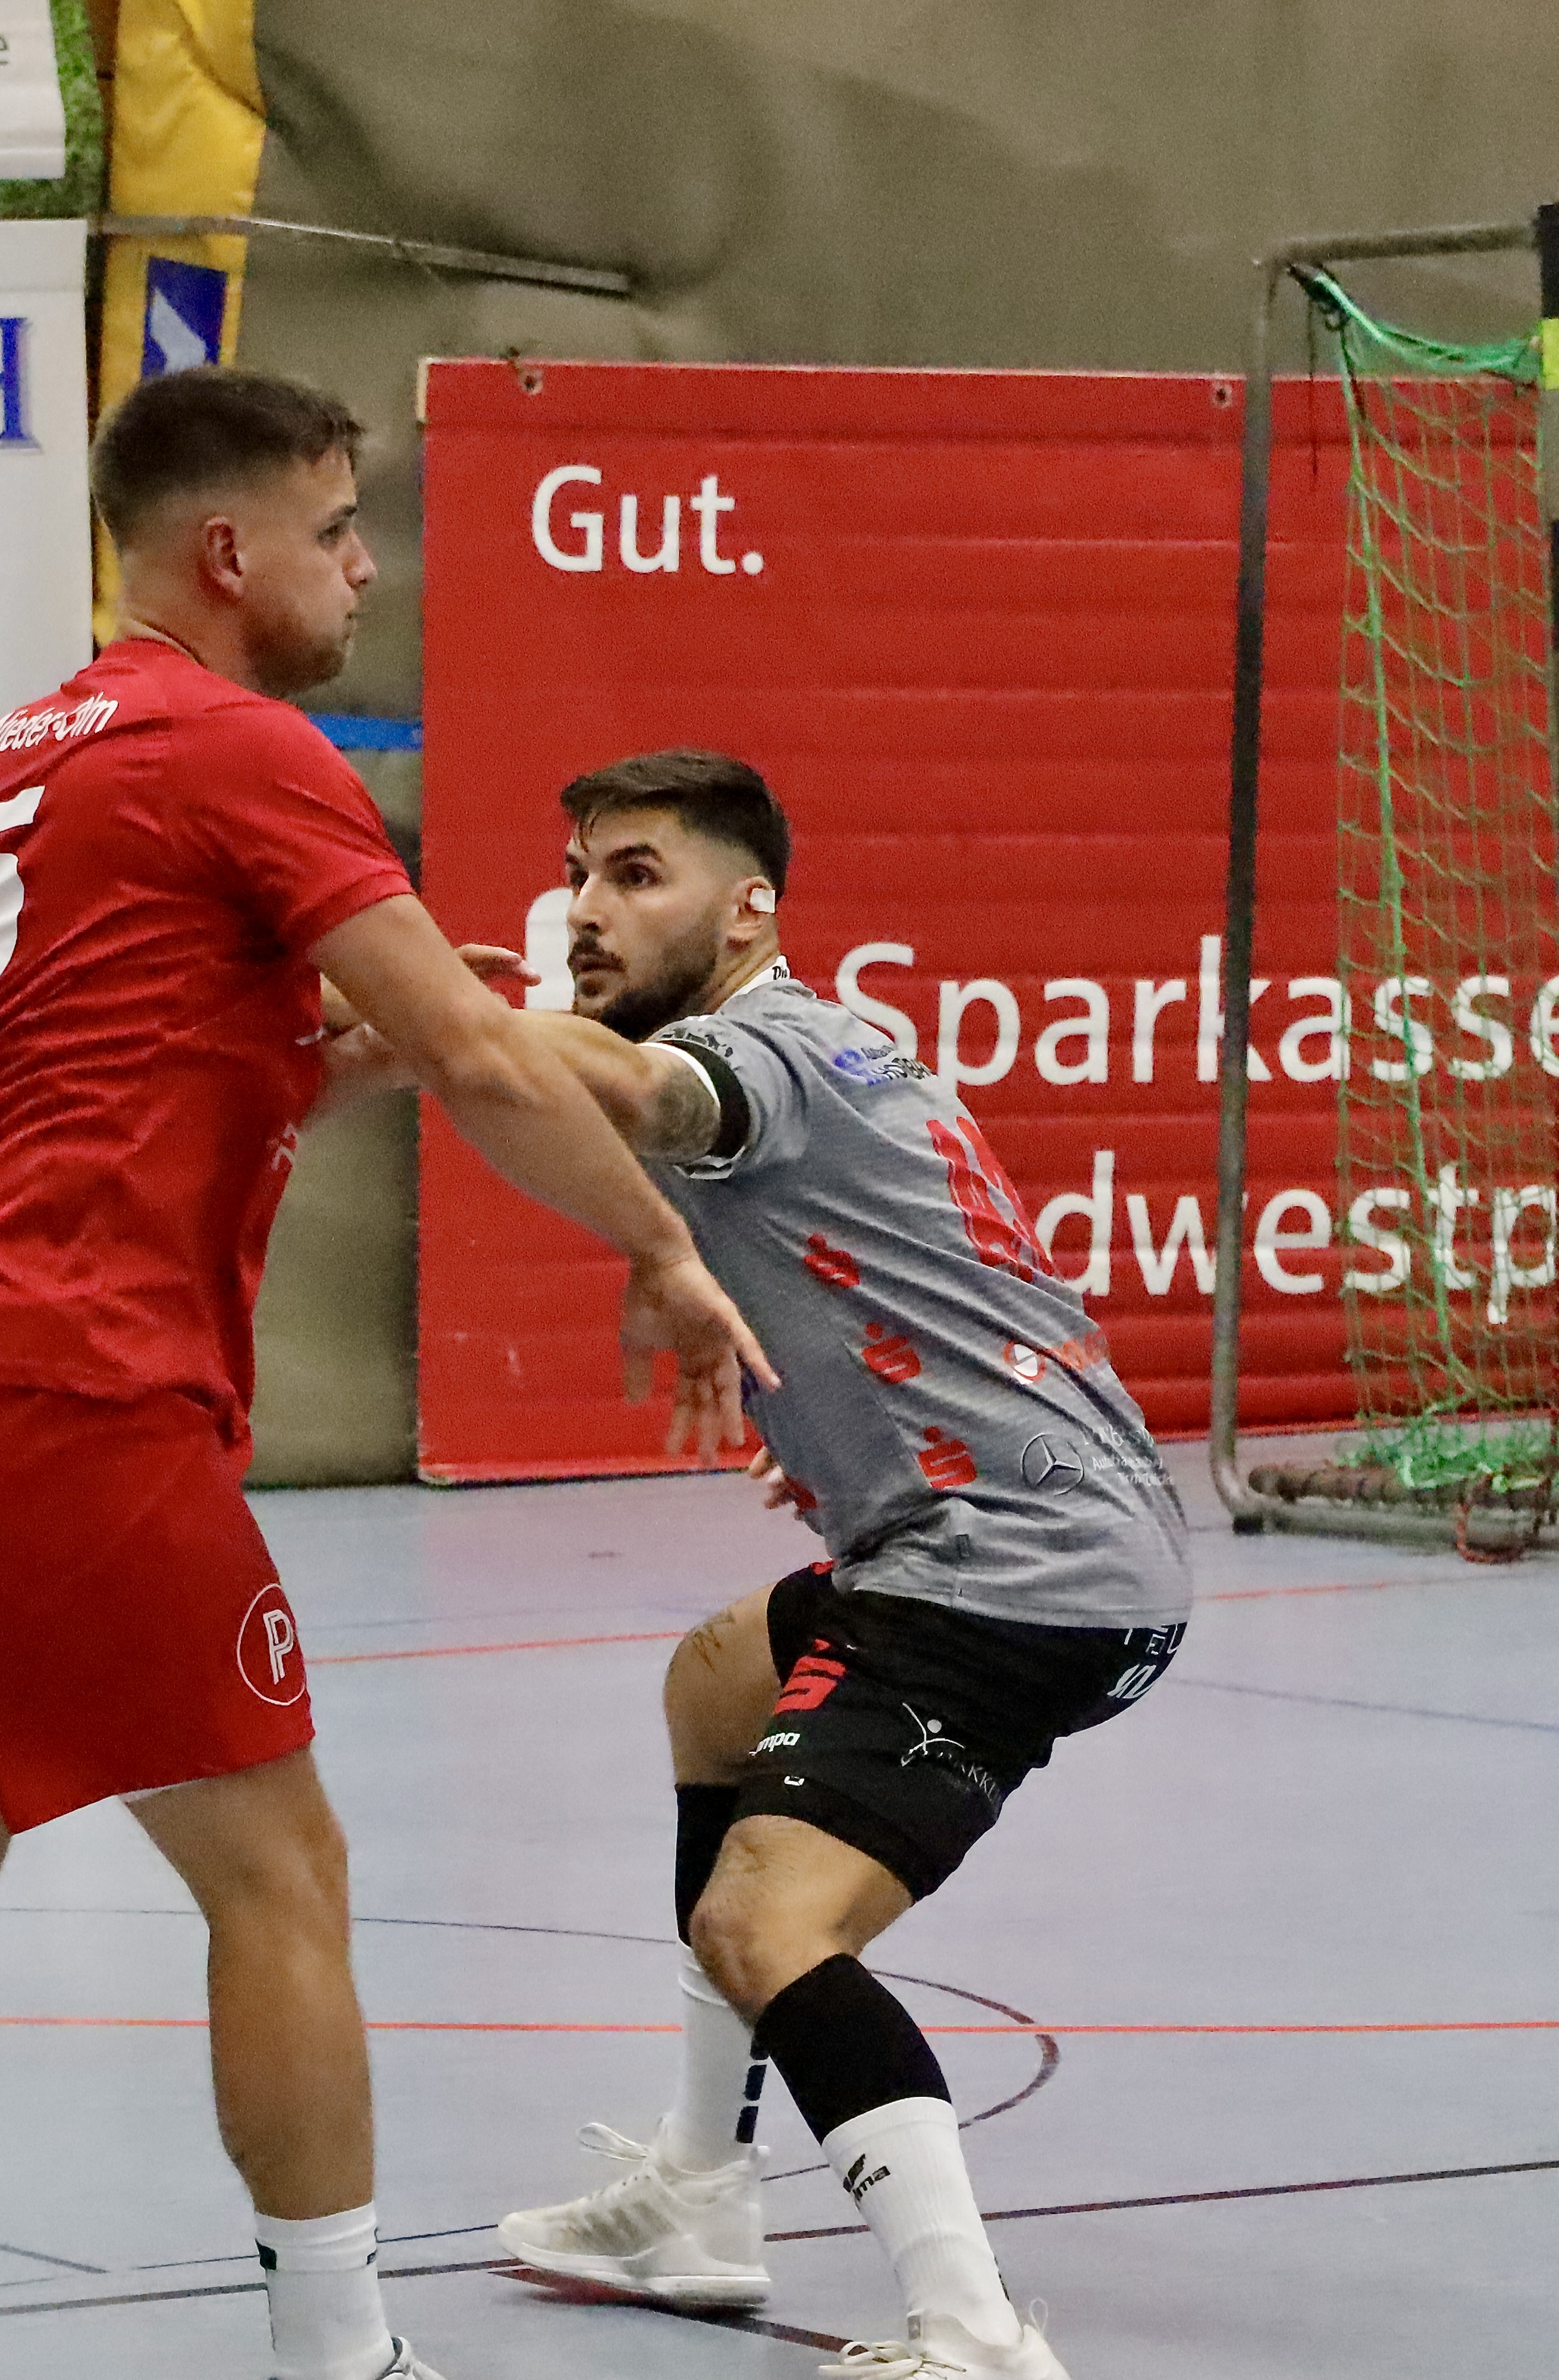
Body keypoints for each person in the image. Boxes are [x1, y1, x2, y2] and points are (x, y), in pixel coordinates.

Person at [0, 371, 771, 2380]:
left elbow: (161, 1059)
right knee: (282, 1875)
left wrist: (344, 1047)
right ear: (227, 550)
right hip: (67, 1388)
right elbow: (475, 1056)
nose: (364, 570)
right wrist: (659, 1246)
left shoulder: (22, 757)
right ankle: (342, 2353)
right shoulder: (237, 742)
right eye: (337, 532)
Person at [450, 750, 1190, 2378]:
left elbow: (628, 1094)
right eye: (577, 874)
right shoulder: (825, 1038)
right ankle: (700, 2197)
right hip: (1030, 1541)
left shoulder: (759, 1055)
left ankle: (970, 2329)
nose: (587, 910)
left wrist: (427, 1013)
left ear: (748, 908)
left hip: (1007, 1572)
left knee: (765, 1926)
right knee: (718, 1684)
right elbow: (574, 1111)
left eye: (636, 874)